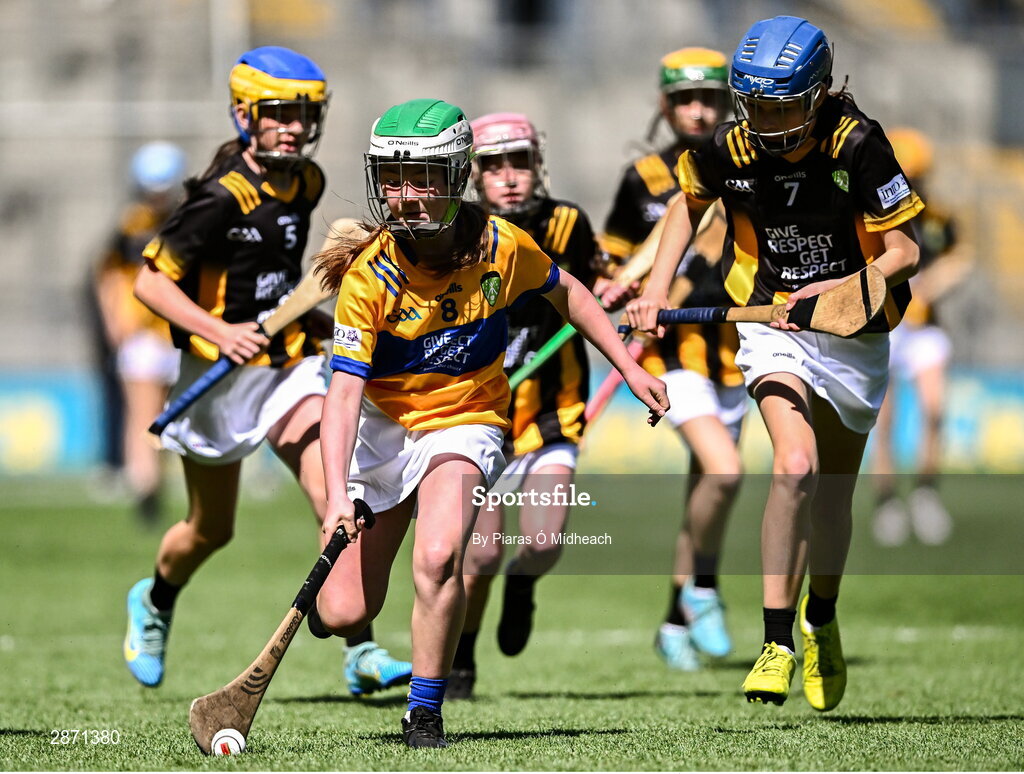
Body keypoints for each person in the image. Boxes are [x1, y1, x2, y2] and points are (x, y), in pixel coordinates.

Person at [312, 98, 668, 748]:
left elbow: (573, 294)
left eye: (421, 177)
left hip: (466, 422)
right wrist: (336, 494)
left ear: (456, 175)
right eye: (391, 177)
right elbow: (341, 398)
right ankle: (348, 598)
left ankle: (425, 711)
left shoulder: (501, 245)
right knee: (343, 611)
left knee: (442, 555)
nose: (404, 194)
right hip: (386, 432)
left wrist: (630, 366)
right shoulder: (370, 278)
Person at [626, 16, 922, 712]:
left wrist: (840, 291)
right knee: (793, 465)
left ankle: (822, 616)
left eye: (784, 106)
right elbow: (685, 206)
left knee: (833, 498)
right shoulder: (730, 147)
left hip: (856, 327)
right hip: (770, 322)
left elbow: (904, 252)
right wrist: (654, 289)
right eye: (756, 104)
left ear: (818, 95)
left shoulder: (859, 144)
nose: (768, 120)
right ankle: (777, 639)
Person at [122, 46, 410, 696]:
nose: (293, 127)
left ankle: (359, 647)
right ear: (246, 115)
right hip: (217, 378)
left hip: (288, 370)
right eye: (279, 113)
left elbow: (285, 274)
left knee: (331, 494)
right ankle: (155, 600)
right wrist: (219, 331)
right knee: (208, 531)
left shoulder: (305, 183)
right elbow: (150, 283)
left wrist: (305, 317)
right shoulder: (220, 199)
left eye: (304, 114)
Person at [600, 48, 746, 672]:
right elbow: (611, 258)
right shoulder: (643, 178)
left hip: (739, 350)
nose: (698, 109)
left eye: (710, 97)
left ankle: (672, 621)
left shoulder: (748, 164)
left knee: (704, 490)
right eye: (685, 99)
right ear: (665, 105)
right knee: (726, 471)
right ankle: (706, 590)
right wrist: (625, 289)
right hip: (674, 352)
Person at [446, 112, 600, 699]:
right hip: (479, 413)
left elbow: (590, 283)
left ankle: (523, 585)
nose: (508, 177)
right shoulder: (455, 234)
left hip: (552, 409)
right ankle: (462, 652)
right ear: (472, 173)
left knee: (542, 543)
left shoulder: (566, 223)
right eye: (492, 166)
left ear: (538, 164)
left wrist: (613, 288)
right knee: (479, 553)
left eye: (519, 162)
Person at [872, 127, 966, 547]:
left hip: (925, 329)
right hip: (888, 326)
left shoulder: (939, 218)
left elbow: (959, 258)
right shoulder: (872, 215)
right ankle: (887, 501)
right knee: (885, 421)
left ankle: (926, 492)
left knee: (933, 410)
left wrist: (932, 286)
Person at [91, 141, 187, 525]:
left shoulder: (186, 222)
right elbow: (108, 276)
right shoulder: (130, 227)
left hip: (179, 335)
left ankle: (156, 481)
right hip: (145, 337)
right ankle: (144, 485)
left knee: (170, 415)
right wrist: (116, 321)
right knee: (143, 414)